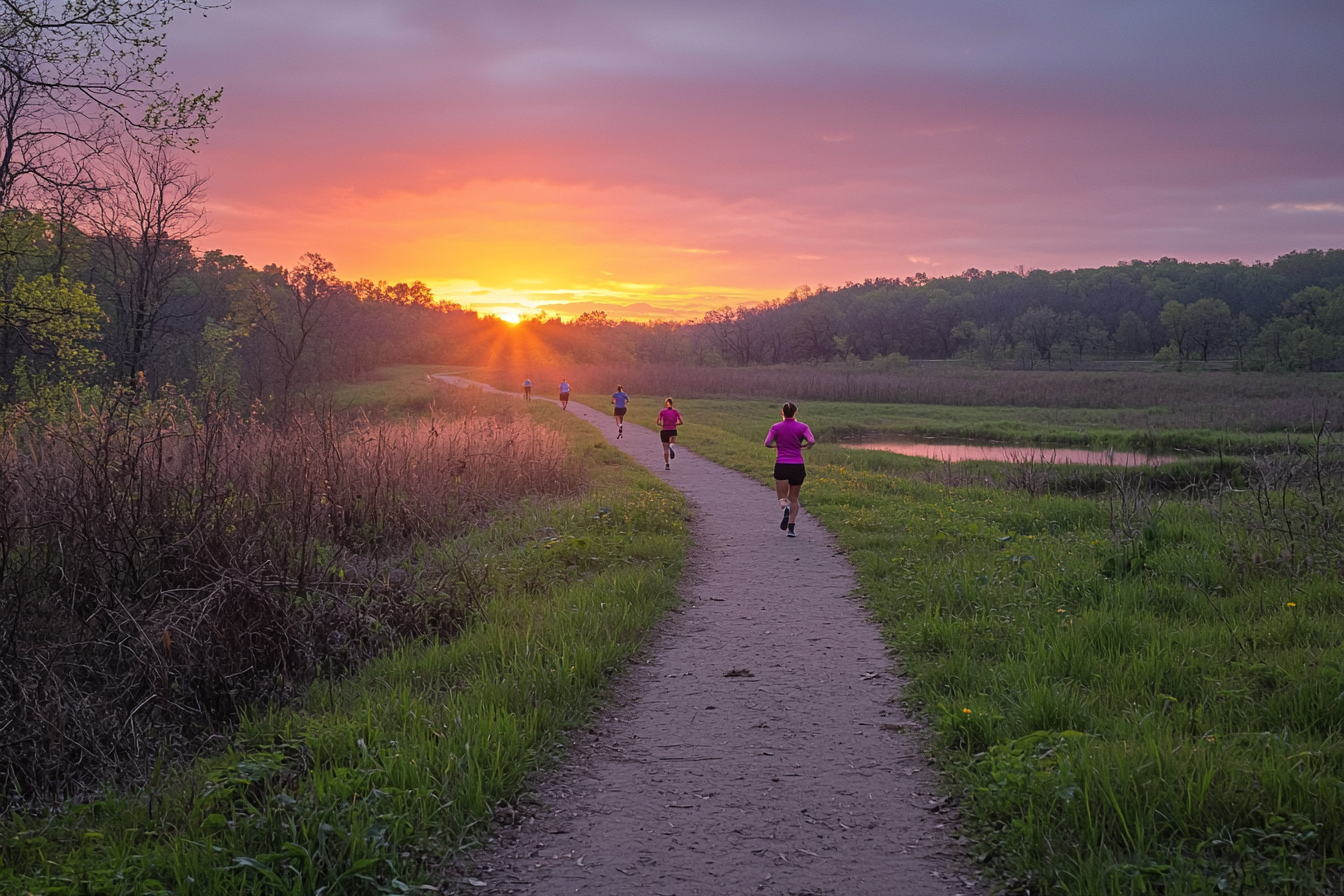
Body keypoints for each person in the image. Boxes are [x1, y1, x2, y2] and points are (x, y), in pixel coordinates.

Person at [764, 401, 815, 538]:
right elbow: (811, 441)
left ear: (782, 413)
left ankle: (784, 508)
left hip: (781, 464)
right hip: (797, 465)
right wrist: (804, 446)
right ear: (795, 412)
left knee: (782, 497)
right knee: (794, 498)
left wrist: (775, 446)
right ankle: (791, 528)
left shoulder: (776, 427)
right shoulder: (803, 427)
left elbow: (767, 442)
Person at [656, 397, 682, 470]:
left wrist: (661, 424)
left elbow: (658, 422)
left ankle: (667, 464)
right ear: (672, 403)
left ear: (666, 403)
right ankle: (671, 446)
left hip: (664, 430)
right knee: (672, 442)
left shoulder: (663, 411)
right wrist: (675, 424)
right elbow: (681, 422)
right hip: (673, 430)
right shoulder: (675, 412)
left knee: (665, 449)